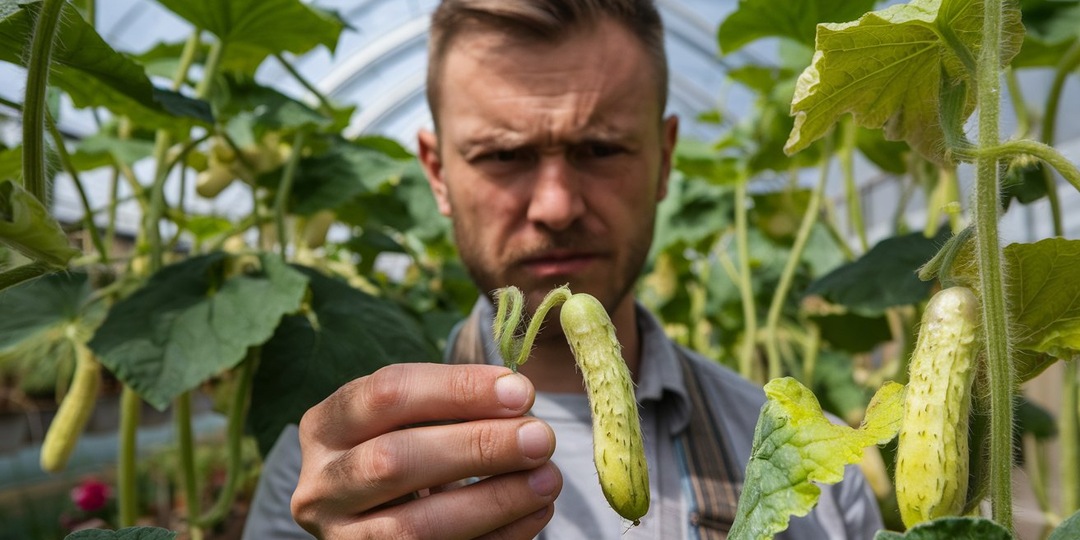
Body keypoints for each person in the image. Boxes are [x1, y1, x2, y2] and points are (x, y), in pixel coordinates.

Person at [242, 1, 884, 538]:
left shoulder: (822, 471)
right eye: (503, 154)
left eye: (600, 148)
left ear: (664, 160)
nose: (555, 205)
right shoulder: (331, 479)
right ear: (438, 174)